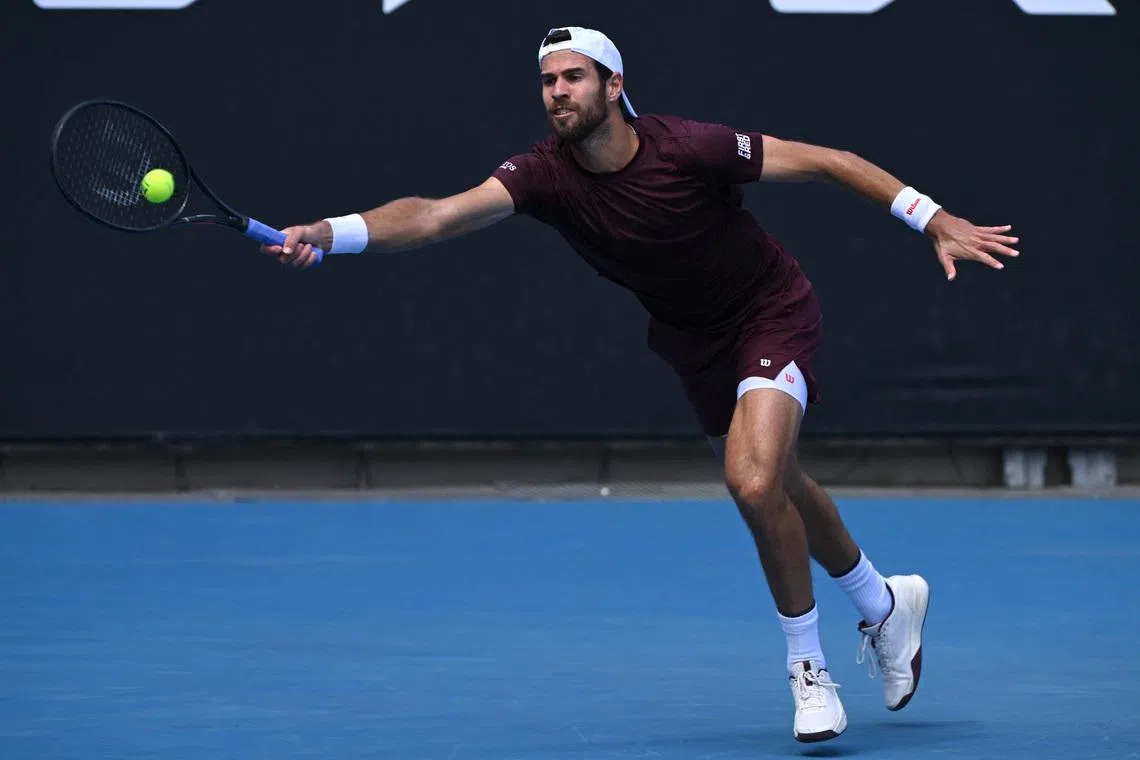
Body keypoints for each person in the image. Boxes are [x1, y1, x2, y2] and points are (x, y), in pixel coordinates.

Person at [262, 26, 1019, 744]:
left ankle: (808, 668)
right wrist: (329, 233)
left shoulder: (688, 147)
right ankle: (884, 603)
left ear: (613, 84)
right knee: (778, 481)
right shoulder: (542, 175)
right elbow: (433, 217)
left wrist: (932, 219)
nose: (558, 92)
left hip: (769, 312)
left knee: (753, 482)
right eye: (548, 82)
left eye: (573, 78)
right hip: (693, 341)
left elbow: (828, 160)